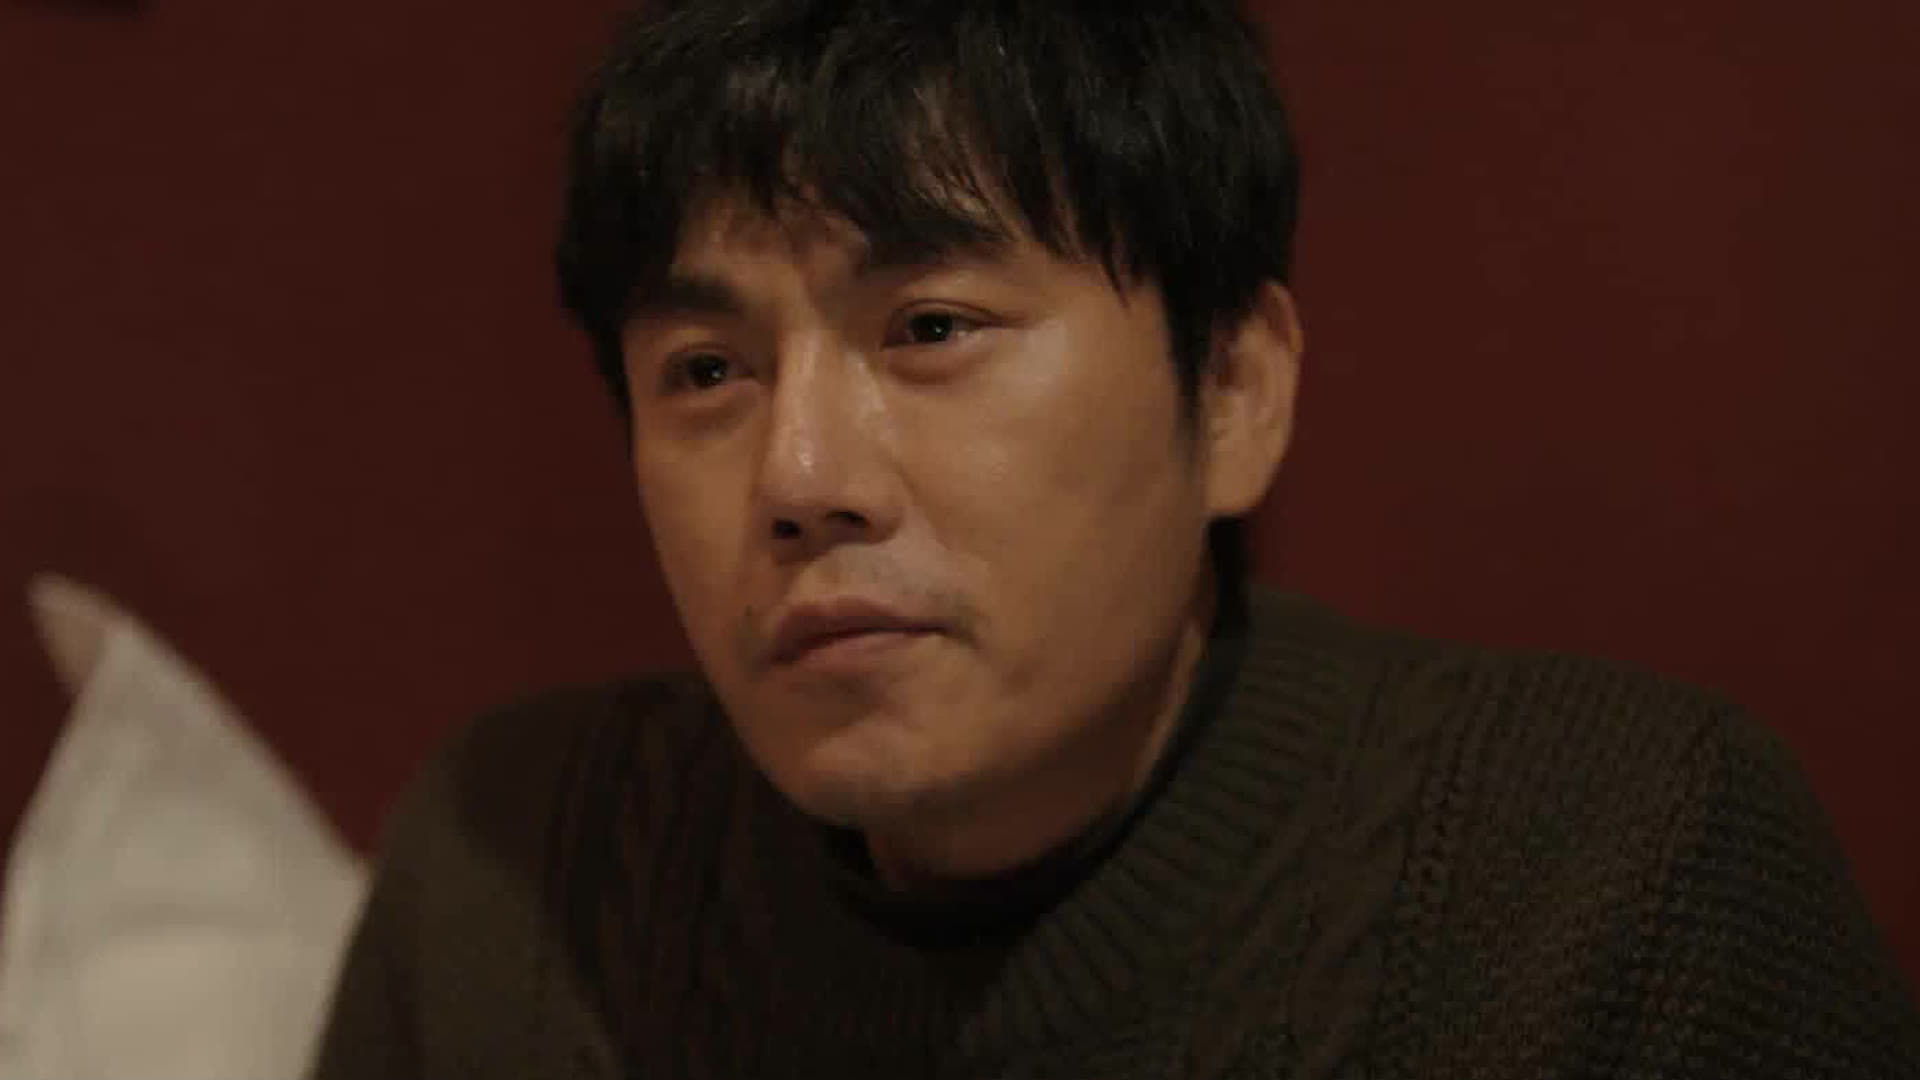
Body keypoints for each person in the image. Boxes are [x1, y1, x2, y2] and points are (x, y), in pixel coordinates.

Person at [311, 0, 1920, 1076]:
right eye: (707, 372)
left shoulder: (1602, 869)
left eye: (931, 327)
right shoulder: (516, 884)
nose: (799, 475)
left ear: (1233, 391)